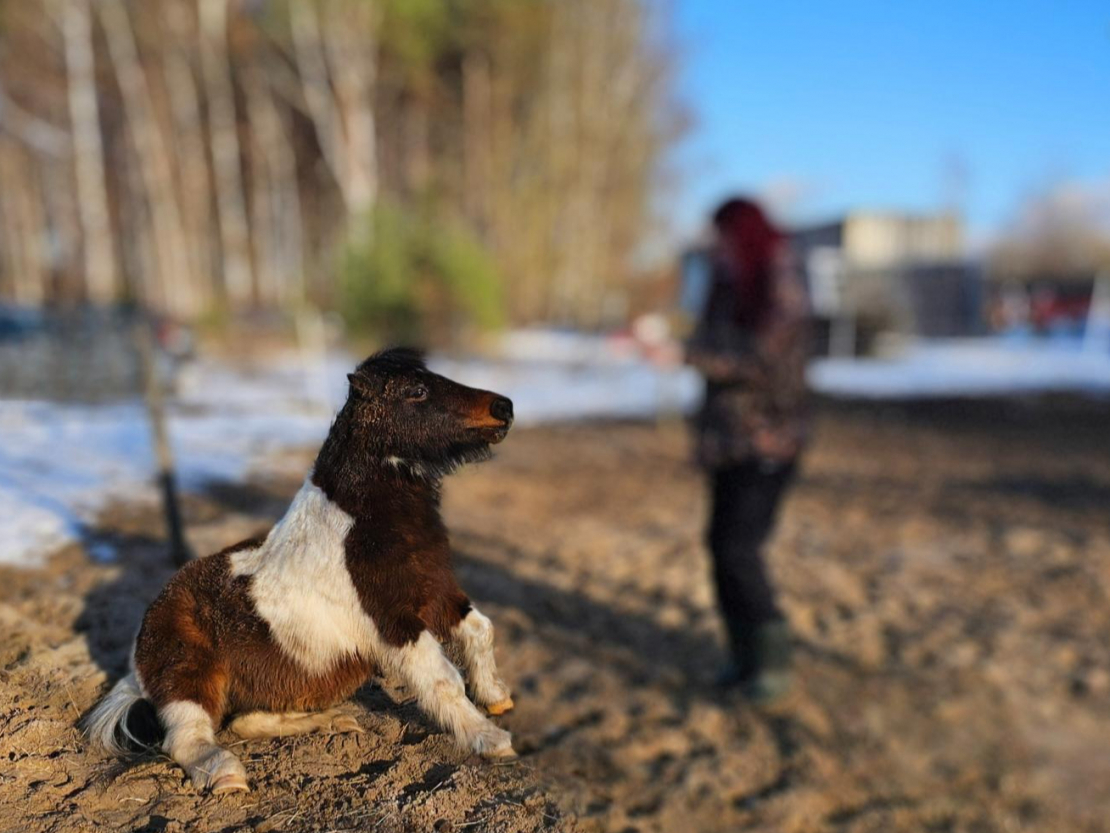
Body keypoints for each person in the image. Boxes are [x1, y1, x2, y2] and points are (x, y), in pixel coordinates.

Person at [686, 197, 810, 702]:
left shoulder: (781, 281)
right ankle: (743, 657)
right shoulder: (728, 281)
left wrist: (686, 354)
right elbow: (712, 341)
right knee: (720, 547)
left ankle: (772, 664)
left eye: (724, 237)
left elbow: (760, 358)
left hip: (770, 438)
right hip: (729, 438)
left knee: (740, 549)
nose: (718, 247)